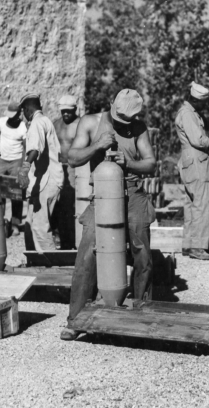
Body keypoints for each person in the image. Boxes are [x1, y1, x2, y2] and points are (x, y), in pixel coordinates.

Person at [62, 89, 158, 341]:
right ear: (111, 105)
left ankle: (142, 314)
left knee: (142, 253)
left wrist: (128, 163)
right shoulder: (91, 122)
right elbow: (71, 158)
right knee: (87, 251)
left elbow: (150, 163)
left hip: (133, 192)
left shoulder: (138, 128)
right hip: (103, 193)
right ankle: (76, 318)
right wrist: (97, 147)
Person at [175, 82, 209, 260]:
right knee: (201, 204)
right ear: (196, 100)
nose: (205, 107)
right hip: (195, 162)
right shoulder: (187, 114)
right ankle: (198, 247)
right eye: (203, 104)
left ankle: (189, 245)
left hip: (192, 162)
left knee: (191, 205)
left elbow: (206, 121)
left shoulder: (191, 112)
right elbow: (199, 140)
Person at [17, 93, 63, 252]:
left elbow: (35, 150)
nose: (22, 116)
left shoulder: (37, 123)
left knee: (40, 227)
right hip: (47, 181)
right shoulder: (45, 121)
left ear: (28, 109)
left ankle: (49, 265)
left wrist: (24, 168)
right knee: (31, 224)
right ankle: (34, 261)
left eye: (23, 111)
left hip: (46, 181)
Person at [0, 102, 27, 236]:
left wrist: (23, 166)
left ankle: (15, 224)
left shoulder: (22, 127)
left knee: (16, 194)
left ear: (19, 114)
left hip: (16, 161)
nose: (11, 118)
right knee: (0, 192)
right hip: (2, 160)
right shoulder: (2, 122)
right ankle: (1, 222)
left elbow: (25, 148)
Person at [53, 94, 81, 249]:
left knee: (74, 206)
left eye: (69, 111)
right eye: (63, 111)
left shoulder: (80, 124)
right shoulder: (56, 124)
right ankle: (64, 241)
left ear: (75, 109)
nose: (65, 114)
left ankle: (76, 241)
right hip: (59, 167)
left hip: (75, 168)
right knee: (61, 207)